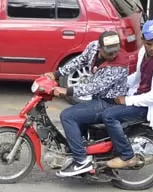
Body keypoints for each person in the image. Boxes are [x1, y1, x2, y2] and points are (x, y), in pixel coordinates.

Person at [43, 30, 130, 177]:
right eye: (109, 53)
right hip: (98, 98)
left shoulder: (119, 64)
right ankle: (80, 151)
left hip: (109, 102)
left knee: (68, 115)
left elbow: (94, 87)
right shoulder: (92, 47)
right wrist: (57, 74)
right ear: (100, 48)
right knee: (78, 118)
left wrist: (66, 90)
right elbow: (79, 61)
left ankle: (81, 160)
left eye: (115, 52)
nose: (112, 56)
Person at [101, 19, 153, 169]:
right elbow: (138, 75)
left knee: (109, 115)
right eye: (149, 43)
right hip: (136, 94)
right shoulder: (143, 52)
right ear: (142, 40)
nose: (152, 48)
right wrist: (120, 84)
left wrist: (127, 100)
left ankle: (126, 156)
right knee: (102, 98)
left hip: (148, 106)